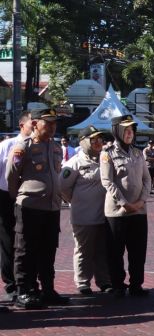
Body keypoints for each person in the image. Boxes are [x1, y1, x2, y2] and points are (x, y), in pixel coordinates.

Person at [6, 107, 65, 309]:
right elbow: (12, 176)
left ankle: (47, 289)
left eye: (54, 123)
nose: (52, 126)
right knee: (25, 250)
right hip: (30, 207)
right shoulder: (24, 146)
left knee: (49, 250)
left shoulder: (56, 147)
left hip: (51, 207)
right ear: (35, 123)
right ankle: (24, 291)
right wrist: (20, 197)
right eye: (47, 122)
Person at [101, 114, 151, 297]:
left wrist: (140, 202)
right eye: (126, 130)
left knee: (138, 251)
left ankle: (136, 284)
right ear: (117, 131)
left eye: (132, 130)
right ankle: (117, 285)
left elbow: (147, 180)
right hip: (117, 212)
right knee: (115, 251)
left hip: (139, 210)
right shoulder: (107, 154)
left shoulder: (138, 153)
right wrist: (124, 203)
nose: (130, 134)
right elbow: (107, 182)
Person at [59, 126, 113, 296]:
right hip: (84, 216)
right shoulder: (74, 163)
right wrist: (75, 201)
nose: (98, 143)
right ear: (84, 142)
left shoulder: (105, 159)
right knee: (83, 250)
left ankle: (104, 281)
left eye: (100, 139)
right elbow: (62, 187)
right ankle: (83, 282)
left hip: (104, 216)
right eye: (93, 139)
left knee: (102, 250)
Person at [0, 110, 33, 299]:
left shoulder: (39, 147)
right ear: (22, 125)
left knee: (28, 243)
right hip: (6, 197)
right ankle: (11, 284)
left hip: (29, 200)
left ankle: (27, 282)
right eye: (32, 123)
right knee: (8, 242)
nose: (35, 127)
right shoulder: (7, 146)